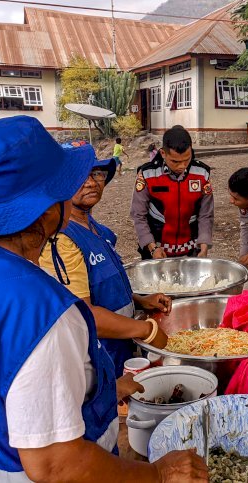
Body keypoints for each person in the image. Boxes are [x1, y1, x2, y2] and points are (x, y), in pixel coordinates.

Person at [0, 116, 207, 482]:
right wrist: (157, 474)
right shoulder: (43, 312)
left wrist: (101, 392)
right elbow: (56, 464)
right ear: (46, 209)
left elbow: (7, 382)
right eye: (67, 186)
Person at [39, 141, 171, 378]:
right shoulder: (62, 240)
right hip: (97, 359)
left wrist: (141, 301)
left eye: (97, 174)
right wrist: (146, 330)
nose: (91, 182)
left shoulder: (98, 229)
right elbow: (82, 314)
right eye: (80, 176)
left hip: (121, 350)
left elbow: (102, 286)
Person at [131, 125, 214, 259]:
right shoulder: (147, 174)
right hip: (157, 250)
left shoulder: (202, 174)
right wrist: (152, 248)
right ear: (163, 153)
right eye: (175, 161)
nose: (182, 166)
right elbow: (138, 215)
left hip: (191, 251)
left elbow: (206, 214)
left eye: (186, 160)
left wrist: (203, 246)